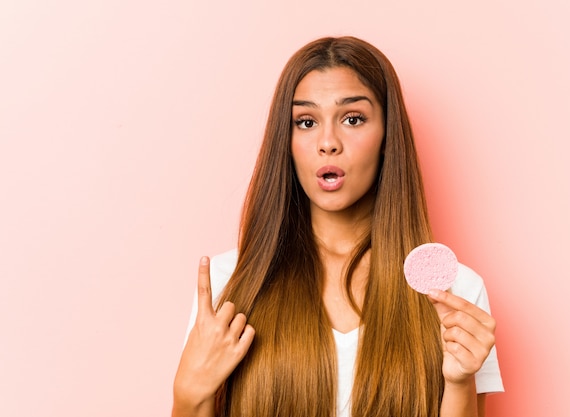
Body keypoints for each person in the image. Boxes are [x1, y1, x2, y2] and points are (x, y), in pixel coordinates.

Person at [172, 36, 503, 417]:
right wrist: (188, 396)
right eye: (306, 122)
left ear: (387, 137)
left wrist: (459, 383)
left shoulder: (456, 294)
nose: (328, 142)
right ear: (287, 140)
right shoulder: (228, 284)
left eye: (353, 119)